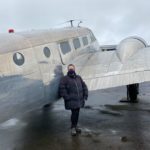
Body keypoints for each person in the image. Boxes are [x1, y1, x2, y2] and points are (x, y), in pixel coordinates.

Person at [59, 64, 88, 136]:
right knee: (74, 114)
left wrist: (85, 95)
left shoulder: (78, 77)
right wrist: (67, 97)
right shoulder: (64, 78)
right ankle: (73, 127)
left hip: (79, 100)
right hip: (71, 101)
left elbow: (84, 86)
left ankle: (75, 126)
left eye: (72, 68)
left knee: (77, 113)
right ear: (68, 69)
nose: (71, 70)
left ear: (74, 69)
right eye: (70, 68)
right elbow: (62, 89)